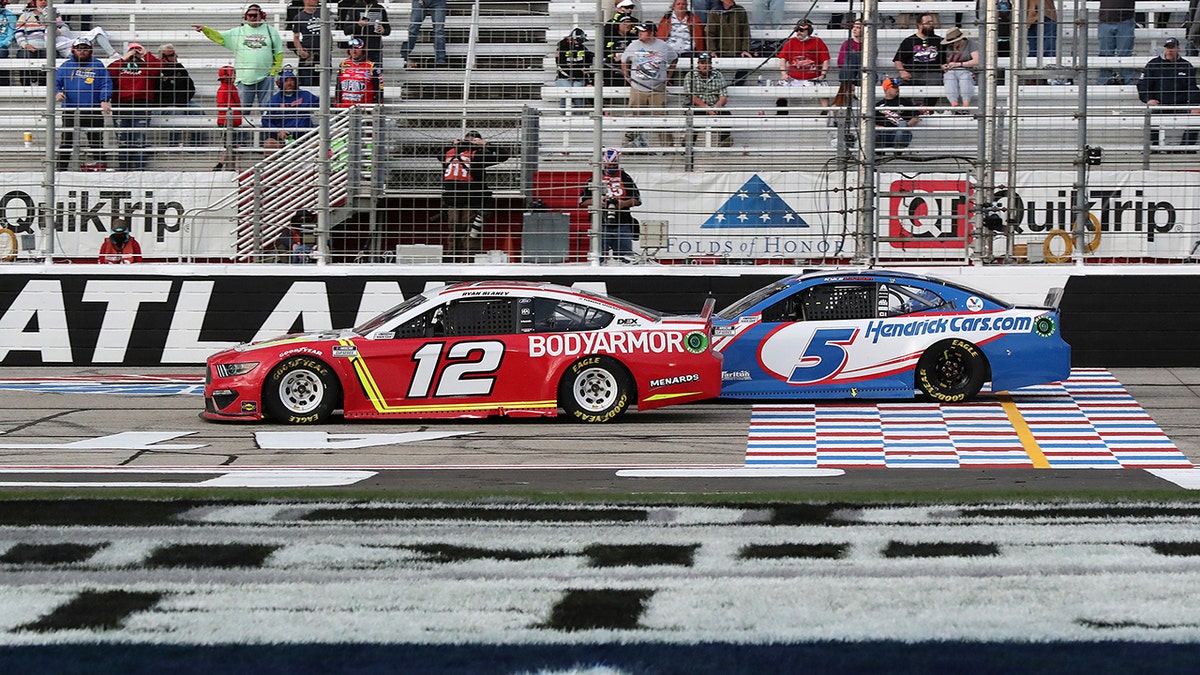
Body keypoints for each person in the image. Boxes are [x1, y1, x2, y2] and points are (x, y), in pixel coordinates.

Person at [194, 4, 284, 110]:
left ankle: (266, 126)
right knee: (242, 111)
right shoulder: (238, 32)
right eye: (249, 15)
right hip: (244, 77)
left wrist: (273, 72)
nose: (252, 18)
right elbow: (219, 36)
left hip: (266, 76)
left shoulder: (271, 31)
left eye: (255, 15)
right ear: (245, 17)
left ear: (262, 16)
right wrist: (205, 30)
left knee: (267, 110)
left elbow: (278, 53)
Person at [440, 130, 512, 262]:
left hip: (453, 201)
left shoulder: (448, 153)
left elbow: (435, 152)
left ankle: (452, 261)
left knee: (454, 234)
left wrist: (451, 145)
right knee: (471, 234)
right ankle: (469, 261)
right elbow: (504, 155)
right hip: (472, 202)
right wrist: (486, 144)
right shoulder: (478, 155)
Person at [54, 36, 111, 171]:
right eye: (79, 48)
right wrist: (57, 93)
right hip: (70, 109)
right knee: (66, 141)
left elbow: (106, 84)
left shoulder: (97, 65)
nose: (82, 51)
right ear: (73, 50)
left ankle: (101, 167)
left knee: (96, 141)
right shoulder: (66, 66)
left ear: (90, 50)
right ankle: (60, 170)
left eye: (85, 49)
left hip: (93, 109)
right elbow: (55, 82)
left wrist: (104, 99)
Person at [578, 147, 641, 263]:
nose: (611, 167)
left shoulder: (625, 178)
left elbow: (637, 200)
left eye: (614, 165)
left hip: (623, 223)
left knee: (626, 258)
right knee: (598, 259)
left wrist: (623, 203)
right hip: (600, 224)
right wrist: (597, 201)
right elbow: (582, 201)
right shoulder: (594, 178)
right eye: (609, 165)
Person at [622, 22, 678, 147]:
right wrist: (627, 75)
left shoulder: (663, 46)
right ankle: (628, 144)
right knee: (634, 117)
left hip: (657, 87)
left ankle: (667, 145)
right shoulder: (633, 45)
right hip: (637, 87)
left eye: (644, 31)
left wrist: (668, 75)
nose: (640, 34)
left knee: (661, 118)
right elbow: (624, 61)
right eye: (640, 31)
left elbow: (674, 58)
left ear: (652, 33)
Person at [1137, 37, 1200, 147]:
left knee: (1197, 114)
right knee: (1150, 115)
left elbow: (1192, 88)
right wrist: (1148, 99)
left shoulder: (1186, 66)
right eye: (1167, 48)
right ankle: (1153, 145)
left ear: (1178, 49)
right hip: (1159, 104)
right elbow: (1142, 84)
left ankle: (1186, 146)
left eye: (1172, 48)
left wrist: (1195, 106)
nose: (1169, 51)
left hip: (1181, 105)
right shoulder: (1153, 64)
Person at [107, 41, 160, 171]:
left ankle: (140, 171)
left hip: (141, 104)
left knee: (139, 140)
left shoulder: (147, 65)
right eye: (132, 50)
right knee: (123, 141)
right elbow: (109, 73)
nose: (135, 53)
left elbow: (158, 69)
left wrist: (146, 54)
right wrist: (124, 58)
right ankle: (124, 170)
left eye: (137, 50)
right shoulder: (120, 65)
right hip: (121, 105)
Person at [892, 12, 942, 108]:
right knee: (897, 84)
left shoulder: (939, 41)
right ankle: (910, 109)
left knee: (935, 83)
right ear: (920, 25)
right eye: (928, 23)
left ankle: (927, 108)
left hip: (932, 73)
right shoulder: (909, 41)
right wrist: (902, 72)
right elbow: (898, 60)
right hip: (912, 72)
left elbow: (945, 59)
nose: (931, 25)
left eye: (932, 22)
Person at [262, 66, 319, 149]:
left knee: (319, 142)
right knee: (269, 144)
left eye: (292, 80)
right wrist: (278, 132)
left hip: (305, 137)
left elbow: (324, 105)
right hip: (283, 138)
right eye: (286, 80)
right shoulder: (274, 100)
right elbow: (265, 120)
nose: (289, 83)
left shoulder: (306, 95)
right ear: (280, 83)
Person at [778, 19, 830, 107]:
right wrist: (783, 73)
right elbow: (783, 58)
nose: (799, 32)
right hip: (794, 77)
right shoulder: (791, 42)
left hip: (813, 77)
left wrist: (823, 74)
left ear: (809, 31)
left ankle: (825, 111)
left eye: (801, 30)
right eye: (797, 30)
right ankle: (781, 111)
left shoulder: (818, 42)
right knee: (779, 88)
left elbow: (825, 59)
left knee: (824, 88)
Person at [683, 51, 731, 146]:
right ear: (698, 64)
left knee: (727, 117)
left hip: (714, 106)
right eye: (702, 63)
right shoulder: (690, 75)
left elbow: (723, 96)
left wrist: (715, 107)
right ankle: (687, 146)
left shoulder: (718, 75)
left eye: (707, 63)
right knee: (692, 119)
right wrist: (707, 108)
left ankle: (724, 145)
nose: (705, 65)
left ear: (711, 63)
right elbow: (691, 96)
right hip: (696, 106)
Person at [155, 44, 199, 147]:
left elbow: (190, 88)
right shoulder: (156, 70)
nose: (177, 56)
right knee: (176, 112)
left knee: (198, 111)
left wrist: (182, 101)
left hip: (182, 102)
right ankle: (173, 145)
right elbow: (157, 93)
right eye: (172, 54)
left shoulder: (179, 68)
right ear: (163, 57)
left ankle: (196, 145)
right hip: (163, 105)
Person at [705, 0, 752, 84]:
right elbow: (710, 34)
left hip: (738, 50)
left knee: (747, 62)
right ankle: (717, 85)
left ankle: (737, 85)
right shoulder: (714, 12)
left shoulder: (740, 10)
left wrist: (745, 49)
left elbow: (746, 31)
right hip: (720, 50)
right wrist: (712, 50)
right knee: (709, 63)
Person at [341, 0, 392, 68]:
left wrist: (383, 30)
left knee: (375, 75)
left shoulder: (380, 8)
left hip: (375, 49)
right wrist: (358, 25)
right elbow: (346, 30)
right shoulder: (354, 9)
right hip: (358, 51)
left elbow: (388, 30)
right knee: (358, 75)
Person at [554, 27, 593, 114]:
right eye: (577, 41)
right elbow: (561, 67)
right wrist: (576, 73)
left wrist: (587, 79)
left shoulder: (584, 49)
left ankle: (580, 117)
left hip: (579, 78)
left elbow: (587, 66)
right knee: (565, 93)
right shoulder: (561, 49)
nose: (579, 43)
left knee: (578, 92)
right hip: (563, 77)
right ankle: (563, 118)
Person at [875, 77, 920, 150]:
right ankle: (879, 149)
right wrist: (880, 128)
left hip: (901, 133)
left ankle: (898, 147)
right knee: (876, 132)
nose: (897, 89)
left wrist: (904, 127)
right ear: (887, 89)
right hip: (884, 133)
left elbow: (916, 118)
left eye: (898, 87)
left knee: (902, 125)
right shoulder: (878, 105)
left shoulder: (906, 102)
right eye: (894, 87)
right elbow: (873, 123)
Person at [1097, 0, 1136, 85]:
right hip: (1106, 20)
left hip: (1123, 20)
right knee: (1105, 55)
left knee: (1125, 55)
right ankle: (1104, 82)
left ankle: (1127, 81)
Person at [336, 37, 382, 107]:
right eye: (351, 48)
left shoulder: (372, 66)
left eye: (357, 49)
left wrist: (375, 107)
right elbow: (338, 87)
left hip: (365, 109)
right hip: (344, 108)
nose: (354, 51)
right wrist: (338, 104)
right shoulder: (343, 64)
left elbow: (379, 89)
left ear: (363, 50)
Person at [940, 28, 979, 111]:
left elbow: (976, 61)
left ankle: (966, 104)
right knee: (949, 78)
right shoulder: (948, 47)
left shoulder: (971, 44)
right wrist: (944, 66)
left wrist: (959, 64)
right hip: (951, 71)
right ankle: (954, 103)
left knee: (965, 78)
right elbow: (945, 62)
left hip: (966, 69)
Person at [213, 65, 243, 171]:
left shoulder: (231, 88)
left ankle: (230, 167)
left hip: (233, 121)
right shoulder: (223, 90)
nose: (234, 76)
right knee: (230, 146)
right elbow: (222, 106)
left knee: (232, 147)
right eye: (232, 74)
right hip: (226, 122)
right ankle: (221, 164)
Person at [289, 0, 322, 87]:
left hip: (322, 53)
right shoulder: (299, 17)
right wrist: (301, 51)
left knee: (323, 81)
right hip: (308, 53)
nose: (317, 1)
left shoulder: (322, 14)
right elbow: (296, 38)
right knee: (306, 82)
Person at [602, 14, 638, 88]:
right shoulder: (610, 37)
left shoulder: (634, 37)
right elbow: (603, 56)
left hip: (631, 69)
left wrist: (626, 57)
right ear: (618, 24)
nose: (628, 25)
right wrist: (614, 57)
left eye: (630, 23)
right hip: (612, 70)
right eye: (625, 22)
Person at [836, 17, 863, 87]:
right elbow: (840, 63)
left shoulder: (869, 44)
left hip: (862, 75)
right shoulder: (847, 43)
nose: (854, 29)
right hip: (847, 74)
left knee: (861, 55)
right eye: (854, 27)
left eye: (858, 27)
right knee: (852, 54)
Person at [0, 0, 17, 87]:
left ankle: (3, 86)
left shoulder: (10, 15)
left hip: (2, 46)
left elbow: (11, 35)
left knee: (2, 52)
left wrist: (2, 44)